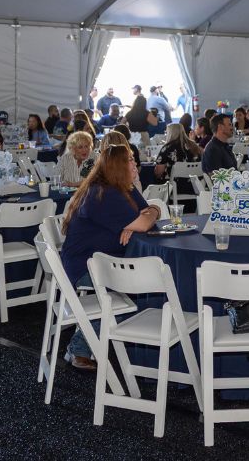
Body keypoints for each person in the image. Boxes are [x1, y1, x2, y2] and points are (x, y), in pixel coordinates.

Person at [61, 145, 162, 369]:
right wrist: (145, 219)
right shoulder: (103, 194)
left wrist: (143, 217)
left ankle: (90, 344)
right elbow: (146, 220)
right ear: (117, 166)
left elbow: (147, 212)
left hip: (102, 260)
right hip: (85, 266)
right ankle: (82, 346)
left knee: (136, 281)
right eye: (130, 160)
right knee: (140, 283)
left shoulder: (119, 188)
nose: (135, 164)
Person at [154, 123, 202, 193]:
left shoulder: (167, 148)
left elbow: (159, 172)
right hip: (195, 185)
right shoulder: (194, 145)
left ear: (170, 133)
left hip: (175, 187)